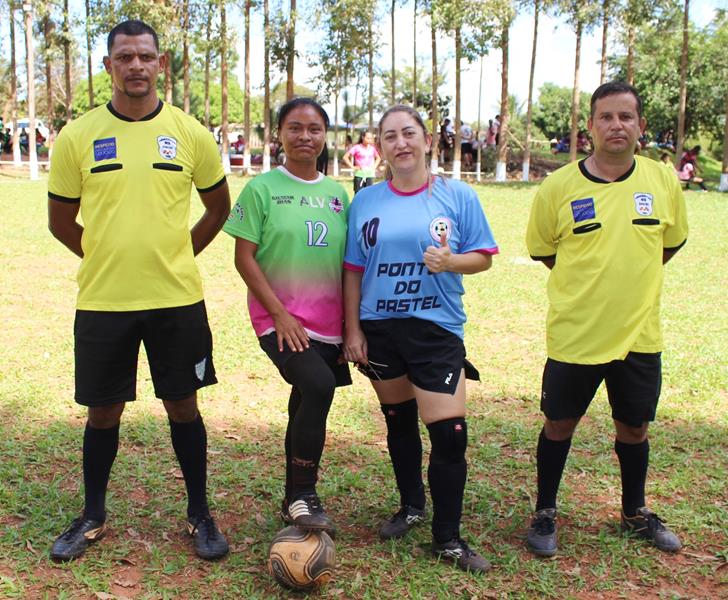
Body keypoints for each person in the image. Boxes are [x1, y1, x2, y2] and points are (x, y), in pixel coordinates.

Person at [47, 19, 231, 562]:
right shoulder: (77, 136)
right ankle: (92, 515)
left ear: (161, 64)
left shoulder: (190, 132)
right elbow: (61, 222)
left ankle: (199, 514)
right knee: (103, 412)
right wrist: (105, 257)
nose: (135, 66)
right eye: (123, 57)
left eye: (145, 56)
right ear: (109, 66)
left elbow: (217, 208)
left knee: (182, 405)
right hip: (104, 303)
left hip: (176, 300)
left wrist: (177, 255)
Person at [525, 81, 687, 558]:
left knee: (633, 428)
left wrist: (627, 282)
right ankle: (546, 511)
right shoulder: (558, 186)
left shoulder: (661, 181)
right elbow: (543, 251)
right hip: (576, 334)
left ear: (639, 125)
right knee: (559, 423)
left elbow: (669, 244)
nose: (617, 125)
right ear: (590, 126)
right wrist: (591, 284)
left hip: (640, 336)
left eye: (626, 117)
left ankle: (634, 512)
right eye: (607, 117)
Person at [343, 105, 499, 573]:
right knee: (398, 420)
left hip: (436, 328)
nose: (401, 143)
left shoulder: (458, 195)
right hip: (380, 329)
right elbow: (353, 268)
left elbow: (484, 256)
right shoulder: (366, 201)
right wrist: (353, 330)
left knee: (450, 436)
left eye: (409, 133)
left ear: (427, 140)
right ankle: (411, 505)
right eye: (390, 136)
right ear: (381, 147)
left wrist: (452, 262)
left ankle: (447, 539)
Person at [223, 97, 350, 536]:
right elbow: (244, 259)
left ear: (325, 136)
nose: (305, 137)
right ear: (278, 134)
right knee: (318, 384)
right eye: (294, 128)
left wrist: (353, 326)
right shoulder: (261, 189)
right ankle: (303, 494)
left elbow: (346, 264)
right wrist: (280, 314)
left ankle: (290, 496)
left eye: (314, 129)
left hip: (329, 324)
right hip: (279, 319)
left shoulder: (338, 194)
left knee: (304, 399)